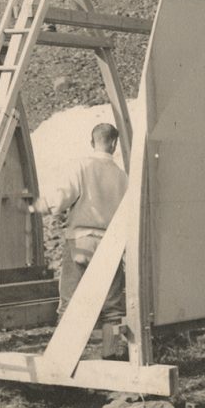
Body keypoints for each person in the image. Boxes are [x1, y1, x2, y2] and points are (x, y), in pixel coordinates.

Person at [34, 123, 128, 334]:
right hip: (109, 246)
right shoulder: (122, 176)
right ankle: (111, 354)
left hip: (80, 243)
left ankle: (62, 357)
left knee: (70, 303)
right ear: (114, 144)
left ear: (91, 142)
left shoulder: (80, 166)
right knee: (112, 308)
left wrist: (42, 206)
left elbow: (61, 199)